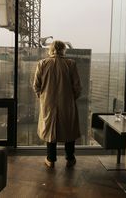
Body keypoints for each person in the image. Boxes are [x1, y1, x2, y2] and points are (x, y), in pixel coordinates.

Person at [33, 40, 82, 168]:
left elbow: (36, 85)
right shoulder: (71, 64)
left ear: (51, 49)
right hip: (67, 103)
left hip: (48, 103)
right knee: (69, 129)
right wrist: (71, 98)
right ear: (63, 49)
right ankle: (70, 158)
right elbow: (77, 87)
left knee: (50, 130)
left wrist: (43, 97)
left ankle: (50, 159)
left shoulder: (42, 63)